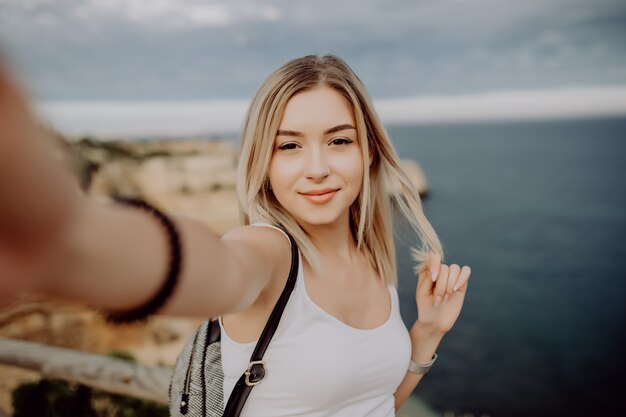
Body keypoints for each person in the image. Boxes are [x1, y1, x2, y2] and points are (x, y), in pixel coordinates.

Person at [0, 54, 471, 416]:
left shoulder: (372, 258)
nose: (317, 168)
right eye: (288, 146)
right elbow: (215, 267)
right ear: (262, 164)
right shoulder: (269, 254)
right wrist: (59, 237)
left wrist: (425, 333)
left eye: (339, 140)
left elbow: (372, 404)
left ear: (369, 152)